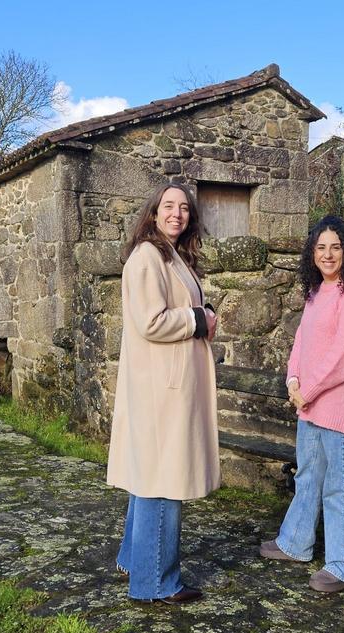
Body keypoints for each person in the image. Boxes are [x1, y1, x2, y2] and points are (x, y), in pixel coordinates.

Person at [108, 183, 219, 605]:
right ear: (153, 212)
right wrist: (198, 318)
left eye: (184, 208)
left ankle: (132, 560)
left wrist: (202, 317)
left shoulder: (170, 256)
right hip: (160, 389)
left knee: (149, 474)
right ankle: (156, 582)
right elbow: (150, 322)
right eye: (169, 206)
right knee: (163, 478)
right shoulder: (147, 257)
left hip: (165, 386)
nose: (177, 214)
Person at [260, 215, 344, 593]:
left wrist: (310, 389)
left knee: (340, 486)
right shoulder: (315, 292)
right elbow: (301, 344)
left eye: (335, 247)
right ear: (312, 253)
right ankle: (296, 542)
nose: (327, 254)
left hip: (338, 408)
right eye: (320, 247)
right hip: (309, 405)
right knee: (308, 477)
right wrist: (294, 380)